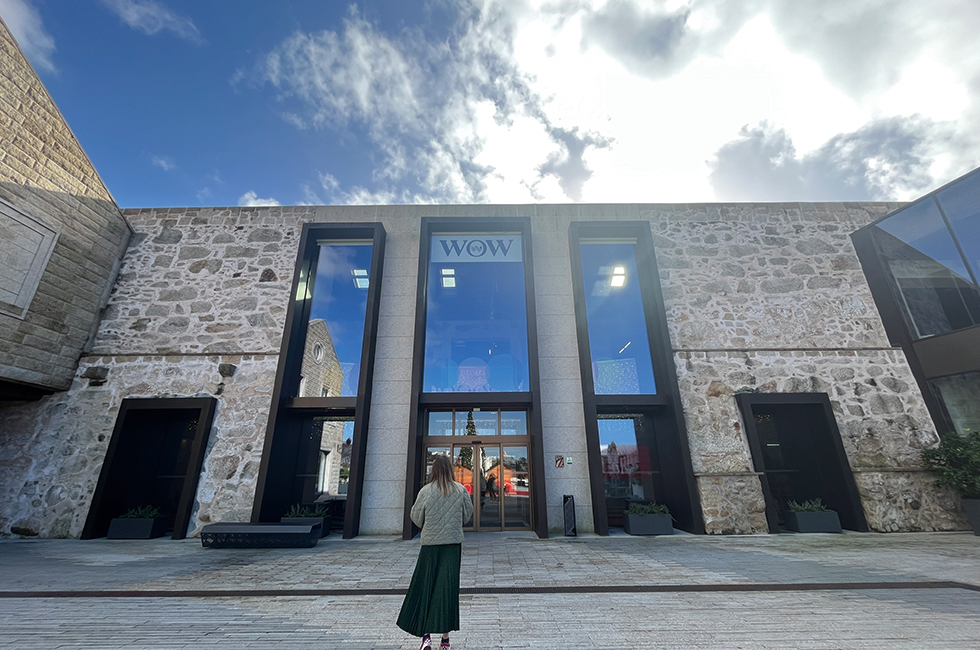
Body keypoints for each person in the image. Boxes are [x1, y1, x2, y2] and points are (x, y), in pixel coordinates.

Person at [397, 454, 474, 650]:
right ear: (450, 469)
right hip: (452, 546)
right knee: (447, 589)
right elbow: (467, 515)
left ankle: (426, 637)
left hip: (430, 545)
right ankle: (445, 640)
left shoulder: (426, 491)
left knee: (426, 587)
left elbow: (415, 517)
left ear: (434, 470)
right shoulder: (460, 490)